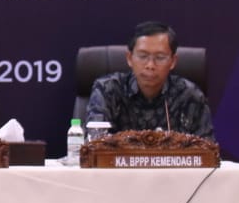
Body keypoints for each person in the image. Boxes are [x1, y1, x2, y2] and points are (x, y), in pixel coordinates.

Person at [85, 21, 214, 141]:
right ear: (129, 58)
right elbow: (95, 145)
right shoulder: (108, 90)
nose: (150, 65)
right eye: (143, 56)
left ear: (173, 61)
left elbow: (207, 151)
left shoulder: (189, 95)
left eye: (160, 57)